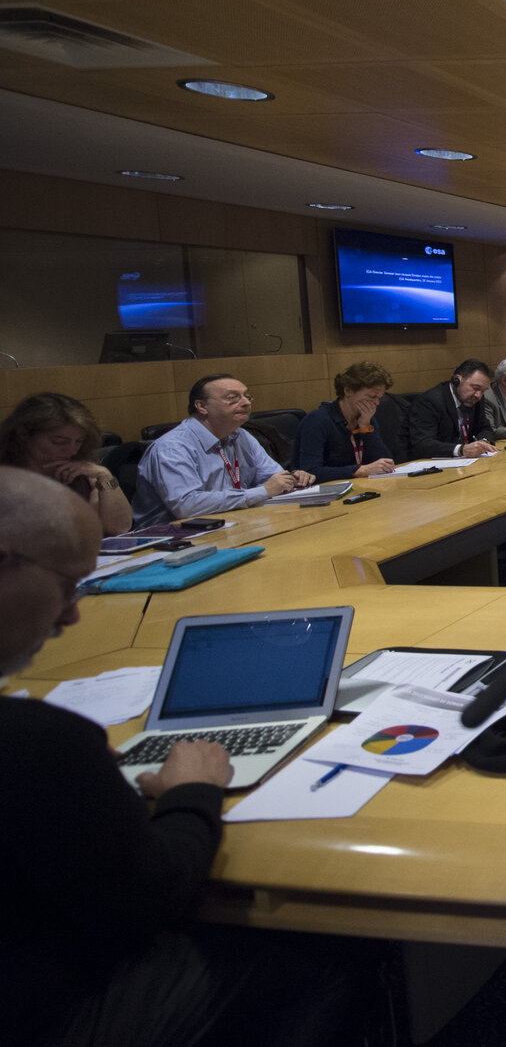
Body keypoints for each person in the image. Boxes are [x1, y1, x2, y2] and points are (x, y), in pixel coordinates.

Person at [1, 468, 368, 1047]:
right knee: (324, 958)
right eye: (70, 584)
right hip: (44, 1013)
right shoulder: (39, 742)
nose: (73, 614)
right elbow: (152, 899)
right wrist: (192, 792)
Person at [132, 375, 314, 525]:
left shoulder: (240, 436)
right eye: (233, 398)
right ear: (202, 406)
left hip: (232, 523)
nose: (245, 403)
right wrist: (263, 491)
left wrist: (290, 480)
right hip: (172, 540)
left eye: (246, 397)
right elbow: (186, 506)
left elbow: (273, 479)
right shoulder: (172, 447)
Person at [0, 392, 133, 534]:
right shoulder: (7, 476)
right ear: (24, 435)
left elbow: (120, 527)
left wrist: (105, 476)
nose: (72, 450)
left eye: (79, 441)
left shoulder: (83, 472)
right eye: (59, 442)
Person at [291, 361, 399, 481]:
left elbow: (385, 464)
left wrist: (365, 428)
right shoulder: (317, 420)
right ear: (348, 391)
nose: (377, 403)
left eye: (379, 398)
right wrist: (359, 470)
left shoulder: (366, 418)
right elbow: (310, 471)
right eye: (372, 397)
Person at [404, 360, 499, 462]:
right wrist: (460, 450)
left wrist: (483, 442)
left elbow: (485, 428)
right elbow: (423, 444)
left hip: (468, 463)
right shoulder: (430, 401)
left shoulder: (475, 399)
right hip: (435, 465)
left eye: (483, 391)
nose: (478, 395)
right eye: (475, 388)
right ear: (456, 380)